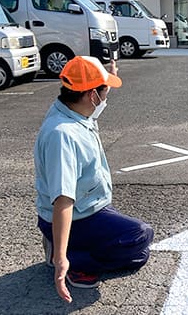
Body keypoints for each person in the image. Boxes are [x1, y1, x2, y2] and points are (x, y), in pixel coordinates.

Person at [34, 56, 154, 303]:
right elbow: (63, 201)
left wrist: (105, 79)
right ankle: (71, 259)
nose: (103, 99)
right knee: (140, 237)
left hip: (89, 207)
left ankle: (66, 247)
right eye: (102, 90)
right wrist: (61, 260)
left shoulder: (71, 111)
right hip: (76, 215)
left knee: (139, 254)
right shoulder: (62, 136)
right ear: (91, 95)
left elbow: (93, 107)